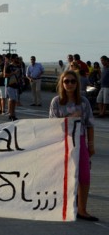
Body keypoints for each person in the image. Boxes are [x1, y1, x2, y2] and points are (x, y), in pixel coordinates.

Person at [49, 70, 97, 222]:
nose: (69, 84)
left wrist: (91, 144)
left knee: (84, 175)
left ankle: (82, 209)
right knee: (63, 175)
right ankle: (63, 205)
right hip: (62, 142)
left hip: (80, 140)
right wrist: (70, 118)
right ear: (62, 84)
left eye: (72, 81)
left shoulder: (83, 102)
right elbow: (52, 125)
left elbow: (90, 125)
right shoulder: (56, 102)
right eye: (66, 81)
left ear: (77, 83)